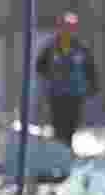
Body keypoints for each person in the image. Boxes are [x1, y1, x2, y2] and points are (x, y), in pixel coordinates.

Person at [35, 12, 100, 150]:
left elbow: (90, 69)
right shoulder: (51, 47)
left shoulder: (81, 48)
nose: (67, 30)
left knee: (71, 124)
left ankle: (67, 149)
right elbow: (40, 67)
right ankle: (60, 149)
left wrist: (93, 87)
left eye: (70, 27)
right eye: (64, 27)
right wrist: (50, 78)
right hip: (57, 94)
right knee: (58, 125)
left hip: (75, 94)